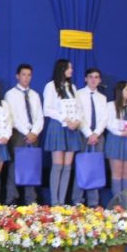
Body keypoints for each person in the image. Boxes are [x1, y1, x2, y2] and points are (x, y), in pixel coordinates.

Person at [42, 59, 83, 205]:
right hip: (58, 126)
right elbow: (47, 109)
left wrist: (77, 120)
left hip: (72, 128)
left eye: (71, 67)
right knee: (58, 165)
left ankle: (62, 200)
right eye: (68, 68)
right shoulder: (51, 86)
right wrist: (64, 119)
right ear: (61, 69)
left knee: (67, 166)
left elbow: (79, 108)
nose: (71, 70)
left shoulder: (72, 87)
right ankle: (54, 201)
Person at [3, 63, 44, 205]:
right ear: (17, 76)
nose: (26, 78)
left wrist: (34, 132)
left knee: (32, 165)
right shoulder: (10, 94)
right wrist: (27, 132)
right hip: (19, 133)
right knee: (15, 165)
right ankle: (11, 198)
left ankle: (30, 199)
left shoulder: (35, 95)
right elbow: (12, 117)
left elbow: (40, 116)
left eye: (29, 75)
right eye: (23, 75)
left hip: (34, 134)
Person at [74, 67, 108, 207]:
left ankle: (94, 202)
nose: (93, 80)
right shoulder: (78, 94)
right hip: (83, 134)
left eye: (96, 77)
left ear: (100, 80)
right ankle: (78, 201)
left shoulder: (102, 98)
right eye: (91, 77)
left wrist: (96, 133)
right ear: (85, 79)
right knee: (81, 167)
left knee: (95, 167)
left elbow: (104, 118)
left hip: (98, 136)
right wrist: (89, 133)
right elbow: (78, 116)